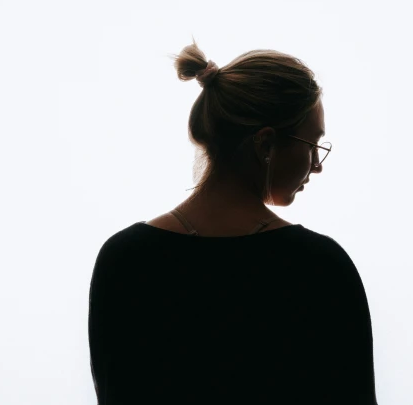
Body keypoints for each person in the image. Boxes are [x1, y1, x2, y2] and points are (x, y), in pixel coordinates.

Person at [88, 39, 377, 404]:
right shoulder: (319, 265)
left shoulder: (126, 259)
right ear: (266, 144)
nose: (317, 165)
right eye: (311, 144)